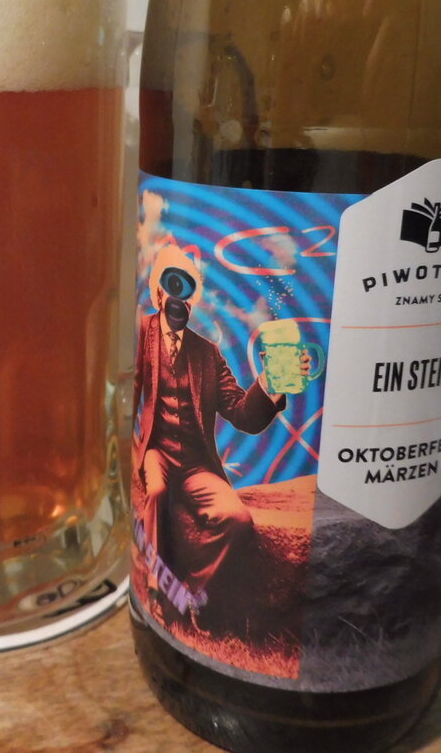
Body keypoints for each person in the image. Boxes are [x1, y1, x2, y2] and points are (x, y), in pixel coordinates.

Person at [133, 245, 308, 619]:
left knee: (237, 519)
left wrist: (272, 381)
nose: (178, 295)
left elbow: (244, 416)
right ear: (157, 293)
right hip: (157, 453)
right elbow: (126, 391)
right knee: (157, 491)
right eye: (170, 284)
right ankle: (156, 584)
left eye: (186, 287)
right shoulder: (141, 332)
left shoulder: (207, 353)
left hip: (197, 465)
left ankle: (192, 595)